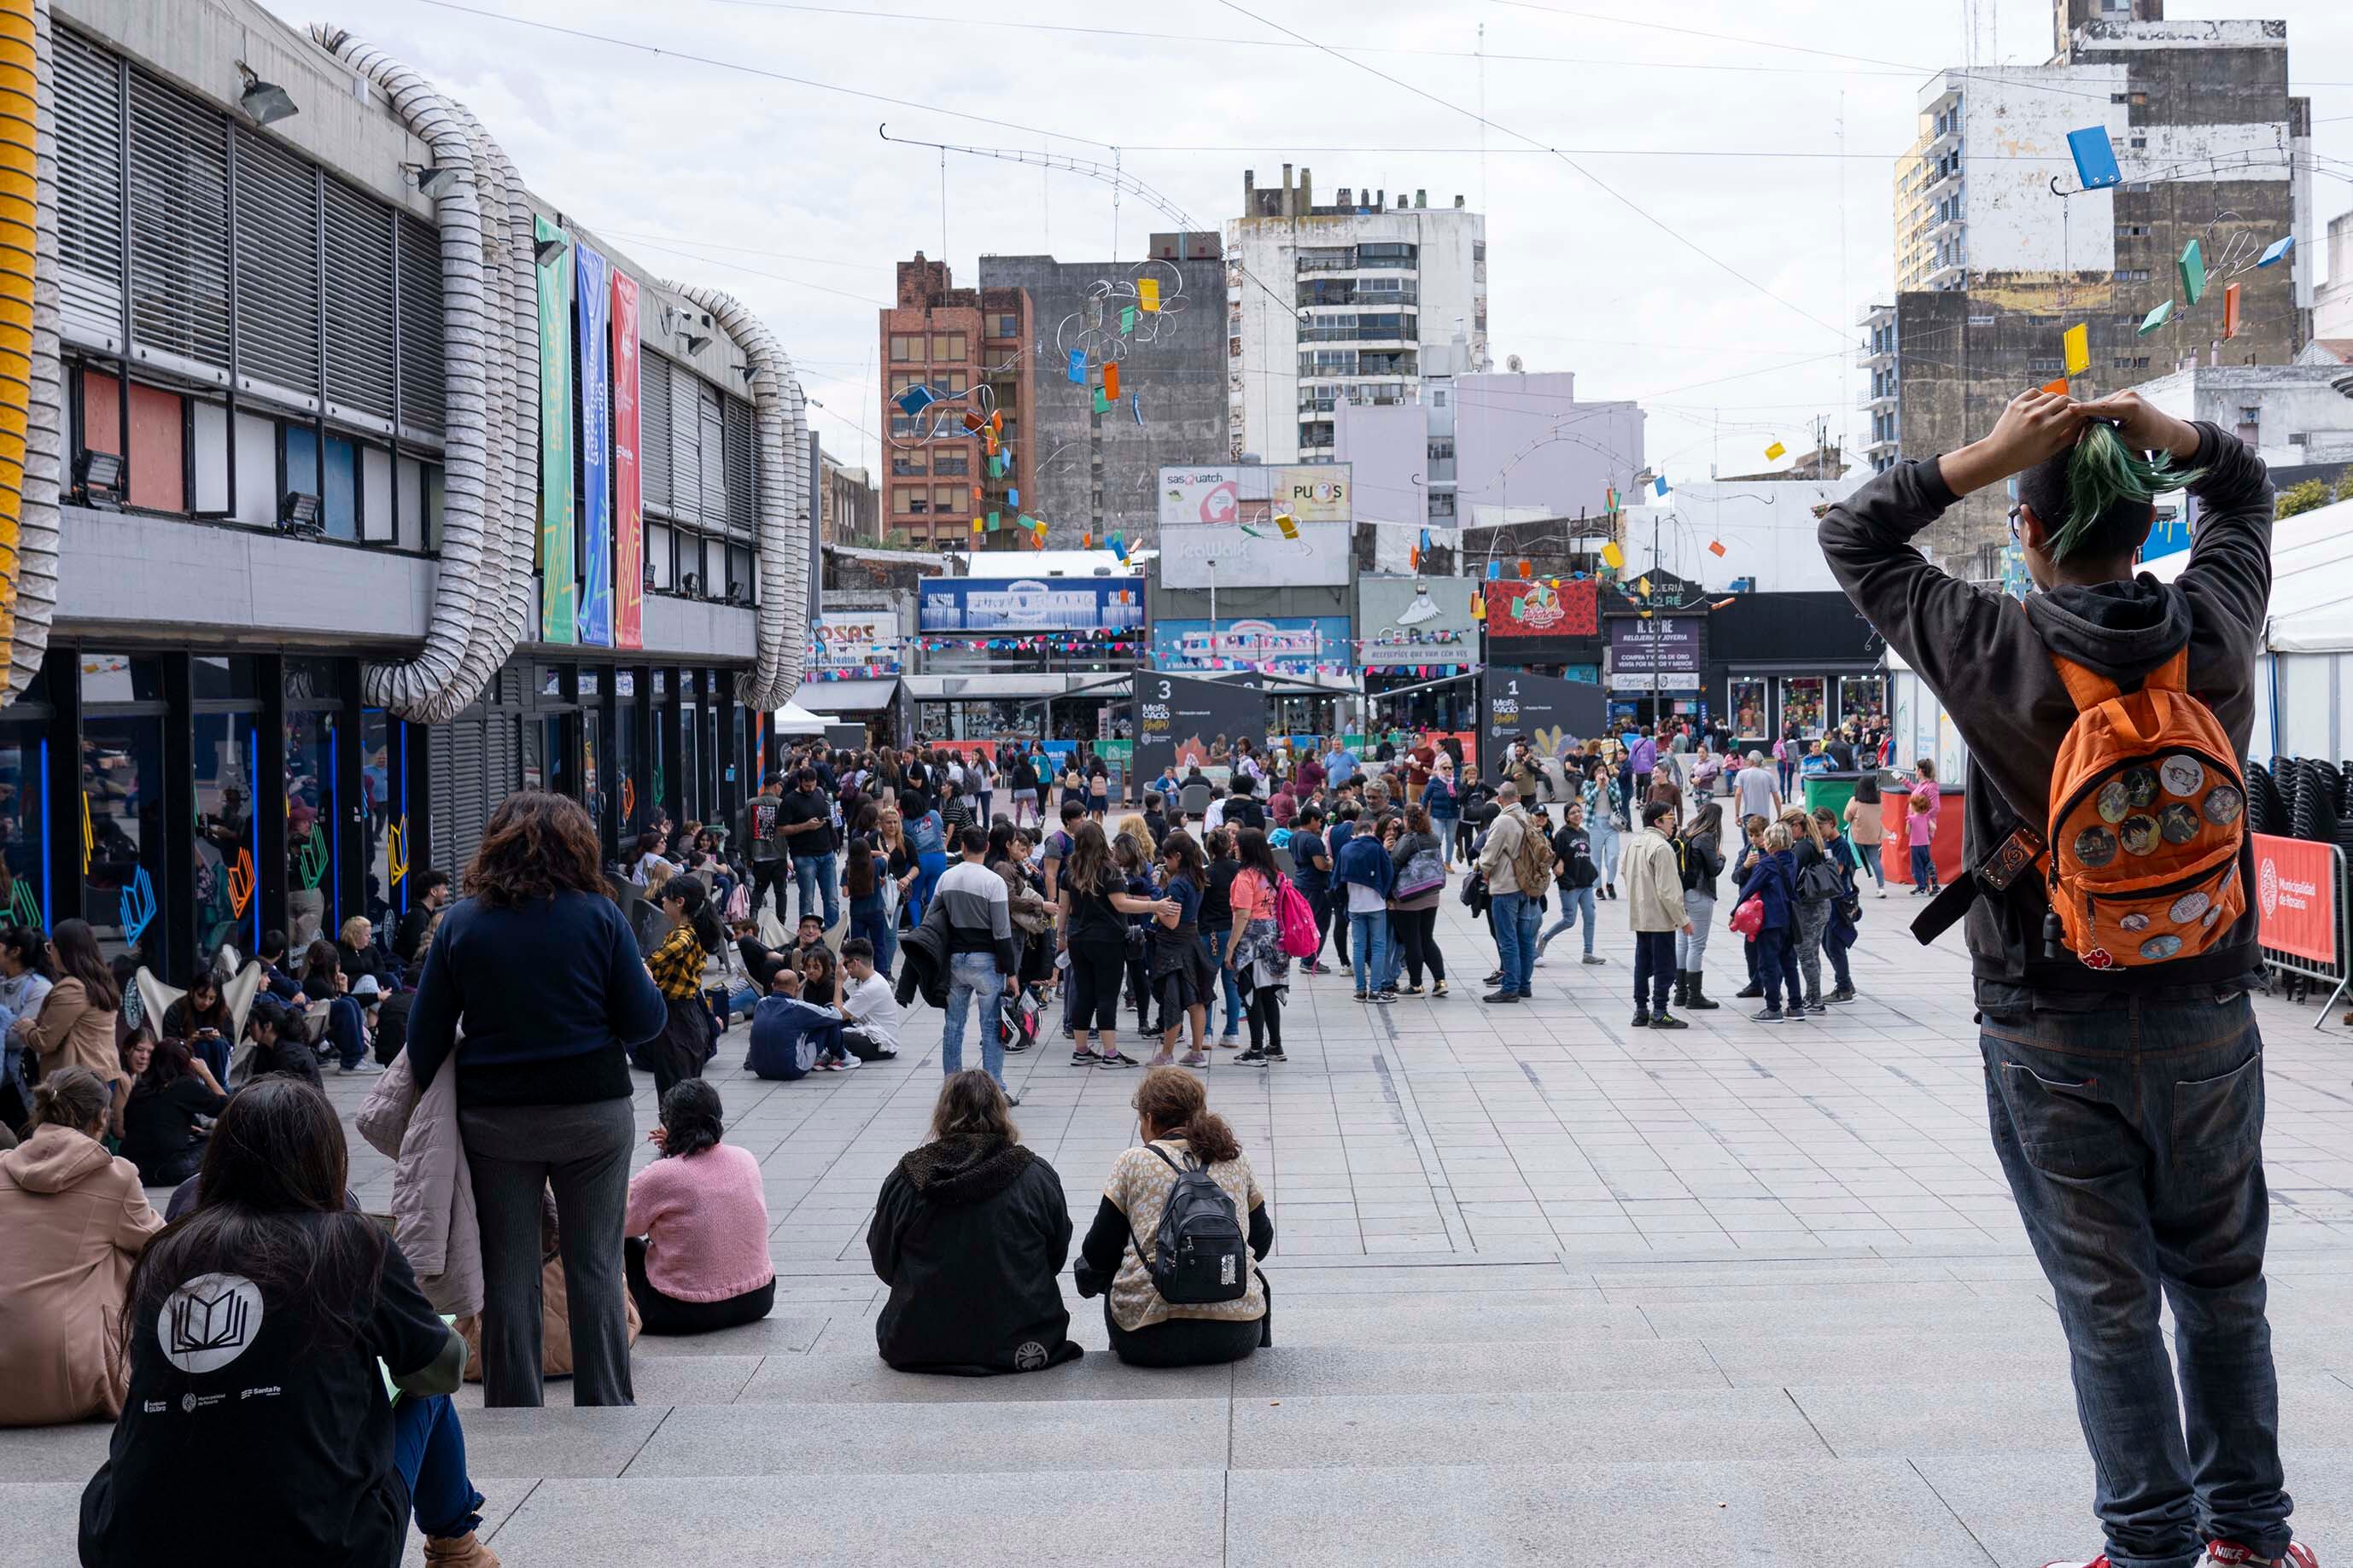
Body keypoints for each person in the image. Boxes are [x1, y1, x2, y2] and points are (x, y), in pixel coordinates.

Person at [1819, 386, 2298, 1568]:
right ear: (2147, 535)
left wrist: (1981, 457)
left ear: (2028, 532)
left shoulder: (1994, 645)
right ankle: (2251, 1536)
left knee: (2109, 1303)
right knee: (2225, 1287)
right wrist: (2173, 436)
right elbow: (2246, 491)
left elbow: (1852, 533)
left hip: (2049, 1026)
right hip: (2209, 1014)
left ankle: (2149, 1546)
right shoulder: (2218, 629)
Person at [81, 1076, 498, 1566]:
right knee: (423, 1390)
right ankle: (457, 1548)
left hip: (129, 1547)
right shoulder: (349, 1241)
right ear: (325, 1160)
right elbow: (443, 1368)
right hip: (318, 1548)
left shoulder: (164, 1254)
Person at [406, 791, 668, 1409]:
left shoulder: (461, 923)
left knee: (509, 1268)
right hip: (594, 1115)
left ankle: (516, 1406)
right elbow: (644, 1021)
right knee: (597, 1262)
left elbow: (422, 1041)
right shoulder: (601, 918)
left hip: (497, 1121)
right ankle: (605, 1400)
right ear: (578, 845)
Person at [868, 1070, 1079, 1375]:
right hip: (1024, 1337)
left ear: (942, 1115)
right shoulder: (1034, 1174)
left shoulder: (907, 1178)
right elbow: (1055, 1254)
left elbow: (884, 1260)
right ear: (1000, 1112)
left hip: (918, 1340)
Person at [1073, 1067, 1272, 1367]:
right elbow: (1262, 1239)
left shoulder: (1134, 1161)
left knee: (1105, 1265)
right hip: (1236, 1333)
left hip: (1148, 1338)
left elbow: (1097, 1253)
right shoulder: (1233, 1158)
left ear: (1150, 1119)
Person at [0, 1066, 163, 1426]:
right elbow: (163, 1245)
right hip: (70, 1379)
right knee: (127, 1252)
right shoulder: (115, 1176)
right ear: (102, 1117)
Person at [623, 1080, 776, 1336]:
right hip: (758, 1297)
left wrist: (670, 1157)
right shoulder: (745, 1158)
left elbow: (620, 1220)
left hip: (682, 1310)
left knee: (617, 1240)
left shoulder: (664, 1174)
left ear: (670, 1124)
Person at [1058, 820, 1165, 1070]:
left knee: (1083, 992)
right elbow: (1121, 904)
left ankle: (1081, 1050)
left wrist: (1061, 935)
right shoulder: (1109, 869)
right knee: (1106, 994)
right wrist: (1154, 905)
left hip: (1077, 938)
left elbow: (1064, 907)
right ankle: (1110, 1053)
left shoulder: (1070, 871)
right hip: (1107, 939)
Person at [934, 825, 1021, 1099]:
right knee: (991, 1025)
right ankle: (994, 1090)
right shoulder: (992, 881)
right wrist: (1011, 970)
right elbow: (1001, 930)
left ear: (962, 846)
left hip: (955, 959)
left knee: (954, 1025)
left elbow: (933, 921)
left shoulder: (946, 878)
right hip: (986, 960)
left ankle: (952, 1089)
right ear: (986, 847)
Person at [23, 918, 128, 1134]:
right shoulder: (103, 981)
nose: (49, 953)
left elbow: (45, 1041)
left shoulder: (72, 988)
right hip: (100, 1077)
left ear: (66, 950)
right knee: (89, 1148)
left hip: (75, 1085)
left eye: (51, 947)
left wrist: (26, 1029)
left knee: (69, 1148)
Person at [645, 872, 722, 1099]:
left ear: (679, 902)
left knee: (675, 1095)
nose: (662, 900)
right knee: (681, 1093)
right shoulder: (688, 933)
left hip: (677, 1021)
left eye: (666, 897)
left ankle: (677, 1133)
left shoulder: (683, 937)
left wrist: (642, 966)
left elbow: (653, 962)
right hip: (685, 1017)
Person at [118, 1035, 228, 1187]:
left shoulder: (141, 1087)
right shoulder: (184, 1085)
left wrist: (182, 1128)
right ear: (186, 1064)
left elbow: (142, 1123)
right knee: (219, 1141)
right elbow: (228, 1108)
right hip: (169, 1171)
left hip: (135, 1169)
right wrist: (206, 1074)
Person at [1620, 800, 1691, 1029]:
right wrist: (1683, 920)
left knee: (1642, 963)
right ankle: (1660, 1011)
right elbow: (1669, 890)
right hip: (1660, 918)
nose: (1674, 822)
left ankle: (1641, 1010)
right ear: (1658, 821)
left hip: (1640, 915)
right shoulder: (1662, 848)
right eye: (1670, 817)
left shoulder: (1635, 843)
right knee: (1665, 966)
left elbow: (1624, 872)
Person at [1474, 783, 1547, 1005]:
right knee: (1524, 939)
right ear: (1517, 796)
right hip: (1526, 886)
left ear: (1499, 799)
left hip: (1505, 887)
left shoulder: (1502, 821)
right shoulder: (1527, 817)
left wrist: (1481, 870)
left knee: (1507, 940)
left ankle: (1510, 988)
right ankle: (1524, 985)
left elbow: (1488, 856)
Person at [1147, 831, 1215, 1068]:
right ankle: (1196, 1052)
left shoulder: (1178, 883)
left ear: (1177, 856)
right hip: (1193, 941)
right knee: (1196, 1000)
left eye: (1167, 858)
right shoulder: (1197, 876)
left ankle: (1166, 1054)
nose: (1165, 862)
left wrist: (1155, 906)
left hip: (1174, 947)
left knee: (1173, 1000)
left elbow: (1172, 921)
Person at [1226, 827, 1294, 1060]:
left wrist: (1230, 948)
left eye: (1237, 844)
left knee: (1252, 995)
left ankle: (1256, 1049)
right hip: (1276, 940)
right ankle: (1275, 1046)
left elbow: (1243, 915)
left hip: (1253, 942)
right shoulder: (1273, 873)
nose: (1234, 847)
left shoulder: (1245, 877)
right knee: (1269, 994)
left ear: (1246, 849)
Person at [1735, 822, 1804, 1023]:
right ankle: (1796, 1006)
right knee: (1789, 963)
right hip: (1789, 919)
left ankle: (1773, 1008)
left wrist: (1734, 912)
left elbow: (1749, 888)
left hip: (1770, 919)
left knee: (1768, 964)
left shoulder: (1767, 864)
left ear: (1771, 841)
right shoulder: (1792, 859)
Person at [1334, 807, 1397, 1003]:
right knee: (1378, 947)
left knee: (1359, 947)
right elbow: (1388, 873)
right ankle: (1375, 990)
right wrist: (1387, 895)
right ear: (1370, 831)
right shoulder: (1377, 847)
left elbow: (1336, 880)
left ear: (1354, 834)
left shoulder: (1345, 850)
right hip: (1376, 904)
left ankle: (1360, 990)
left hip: (1355, 905)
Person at [1385, 806, 1447, 999]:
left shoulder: (1407, 840)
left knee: (1412, 941)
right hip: (1431, 894)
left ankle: (1416, 984)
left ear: (1406, 820)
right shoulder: (1433, 837)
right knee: (1427, 938)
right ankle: (1440, 981)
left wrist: (1388, 895)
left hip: (1409, 897)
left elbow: (1394, 864)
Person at [1534, 798, 1604, 968]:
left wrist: (1592, 876)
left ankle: (1588, 953)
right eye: (1573, 813)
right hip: (1570, 885)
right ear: (1566, 817)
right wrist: (1565, 877)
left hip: (1586, 884)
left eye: (1579, 811)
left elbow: (1586, 858)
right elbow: (1555, 860)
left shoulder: (1585, 833)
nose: (1577, 814)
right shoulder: (1562, 835)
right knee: (1569, 920)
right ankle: (1545, 937)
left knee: (1590, 917)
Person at [1783, 807, 1839, 1016]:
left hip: (1809, 908)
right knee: (1812, 954)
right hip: (1820, 904)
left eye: (1787, 829)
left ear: (1797, 826)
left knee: (1806, 954)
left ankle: (1814, 1000)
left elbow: (1791, 876)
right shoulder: (1812, 843)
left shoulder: (1802, 848)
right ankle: (1812, 996)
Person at [1197, 827, 1247, 1044]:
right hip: (1235, 931)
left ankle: (1206, 1033)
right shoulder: (1240, 870)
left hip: (1210, 933)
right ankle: (1232, 1032)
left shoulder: (1205, 874)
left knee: (1206, 984)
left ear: (1209, 848)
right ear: (1230, 847)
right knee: (1232, 984)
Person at [1674, 801, 1726, 1012]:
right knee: (1696, 945)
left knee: (1682, 943)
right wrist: (1722, 857)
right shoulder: (1706, 837)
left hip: (1682, 893)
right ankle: (1694, 995)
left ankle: (1680, 993)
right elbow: (1714, 868)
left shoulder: (1687, 832)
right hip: (1699, 894)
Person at [1811, 804, 1861, 1005]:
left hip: (1839, 901)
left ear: (1831, 823)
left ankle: (1844, 989)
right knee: (1826, 942)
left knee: (1835, 944)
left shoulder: (1840, 845)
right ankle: (1845, 983)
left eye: (1820, 826)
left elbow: (1837, 872)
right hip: (1829, 900)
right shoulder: (1825, 843)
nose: (1819, 831)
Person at [159, 968, 235, 1085]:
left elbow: (231, 1044)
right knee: (201, 1045)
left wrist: (220, 1037)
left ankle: (220, 1087)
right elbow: (168, 1046)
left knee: (218, 1044)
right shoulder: (176, 1010)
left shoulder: (222, 1011)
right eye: (201, 996)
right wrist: (188, 1042)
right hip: (188, 1062)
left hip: (218, 1058)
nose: (206, 1002)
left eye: (211, 998)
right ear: (192, 991)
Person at [1287, 803, 1334, 976]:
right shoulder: (1313, 840)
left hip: (1301, 882)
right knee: (1320, 923)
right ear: (1313, 819)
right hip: (1315, 886)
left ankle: (1307, 957)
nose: (1321, 824)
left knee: (1306, 922)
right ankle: (1310, 960)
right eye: (1319, 820)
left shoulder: (1294, 837)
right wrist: (1331, 861)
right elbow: (1321, 865)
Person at [838, 939, 902, 1061]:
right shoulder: (874, 979)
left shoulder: (871, 988)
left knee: (833, 1035)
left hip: (881, 1046)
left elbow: (837, 1015)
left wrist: (839, 981)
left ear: (856, 963)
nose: (844, 968)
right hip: (880, 1039)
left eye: (846, 964)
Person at [739, 773, 791, 924]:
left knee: (759, 889)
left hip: (759, 856)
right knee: (781, 891)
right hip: (778, 855)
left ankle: (753, 916)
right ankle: (781, 922)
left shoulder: (751, 804)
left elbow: (747, 831)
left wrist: (747, 856)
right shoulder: (781, 804)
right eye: (780, 786)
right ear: (776, 786)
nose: (781, 790)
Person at [1580, 761, 1622, 900]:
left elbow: (1617, 797)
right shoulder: (1588, 784)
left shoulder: (1613, 782)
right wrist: (1598, 786)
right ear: (1593, 773)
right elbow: (1588, 799)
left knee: (1614, 855)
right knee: (1595, 860)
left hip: (1611, 824)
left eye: (1603, 770)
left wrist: (1608, 785)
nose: (1601, 774)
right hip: (1594, 825)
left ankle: (1610, 883)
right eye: (1598, 771)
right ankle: (1598, 887)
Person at [396, 868, 454, 965]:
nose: (447, 893)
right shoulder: (419, 917)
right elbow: (416, 953)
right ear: (433, 892)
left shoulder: (426, 914)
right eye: (444, 889)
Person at [1843, 772, 1888, 895]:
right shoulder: (1878, 802)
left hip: (1857, 836)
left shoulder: (1854, 801)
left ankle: (1848, 886)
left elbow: (1846, 817)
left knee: (1851, 861)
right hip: (1874, 836)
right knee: (1875, 861)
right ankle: (1881, 888)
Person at [1733, 749, 1781, 826]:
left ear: (1752, 761)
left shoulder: (1742, 774)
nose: (1746, 761)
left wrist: (1737, 815)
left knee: (1750, 837)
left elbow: (1738, 794)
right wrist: (1779, 815)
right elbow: (1776, 798)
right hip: (1764, 815)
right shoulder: (1768, 776)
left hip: (1747, 814)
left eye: (1748, 759)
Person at [1906, 788, 1940, 894]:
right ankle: (1934, 883)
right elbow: (1933, 827)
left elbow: (1907, 832)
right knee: (1927, 863)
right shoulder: (1926, 817)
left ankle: (1922, 885)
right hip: (1925, 844)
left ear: (1914, 806)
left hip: (1915, 845)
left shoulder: (1911, 819)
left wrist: (1909, 823)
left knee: (1917, 866)